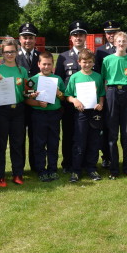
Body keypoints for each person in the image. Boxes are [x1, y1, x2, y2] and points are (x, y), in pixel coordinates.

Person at [101, 31, 127, 179]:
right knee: (112, 133)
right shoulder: (107, 60)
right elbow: (105, 81)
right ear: (114, 43)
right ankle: (113, 169)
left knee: (126, 132)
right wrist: (109, 96)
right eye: (119, 41)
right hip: (112, 92)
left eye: (124, 41)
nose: (121, 43)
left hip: (126, 92)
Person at [0, 38, 28, 187]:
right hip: (2, 110)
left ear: (17, 51)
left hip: (18, 109)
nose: (10, 54)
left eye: (12, 51)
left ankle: (17, 173)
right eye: (6, 52)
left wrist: (32, 94)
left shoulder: (22, 70)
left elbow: (26, 91)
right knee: (0, 143)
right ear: (2, 53)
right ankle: (0, 175)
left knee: (17, 143)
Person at [65, 48, 105, 183]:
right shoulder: (74, 77)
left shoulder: (98, 77)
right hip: (81, 113)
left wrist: (100, 103)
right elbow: (68, 95)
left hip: (94, 113)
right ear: (79, 62)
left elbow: (101, 95)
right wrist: (74, 100)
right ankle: (76, 170)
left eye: (89, 62)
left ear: (93, 62)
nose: (87, 64)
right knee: (79, 141)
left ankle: (91, 168)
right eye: (84, 62)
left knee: (94, 141)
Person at [27, 51, 65, 182]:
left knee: (54, 143)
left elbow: (63, 97)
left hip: (54, 114)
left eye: (49, 64)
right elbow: (26, 99)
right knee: (39, 143)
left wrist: (58, 93)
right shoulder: (32, 80)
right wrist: (36, 101)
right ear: (38, 64)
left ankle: (53, 169)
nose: (46, 67)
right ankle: (41, 170)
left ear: (53, 65)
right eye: (44, 64)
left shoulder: (58, 79)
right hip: (39, 115)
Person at [55, 20, 88, 173]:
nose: (78, 37)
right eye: (75, 35)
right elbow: (58, 80)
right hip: (68, 104)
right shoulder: (63, 57)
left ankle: (85, 162)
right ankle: (67, 163)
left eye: (81, 34)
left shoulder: (91, 56)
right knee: (68, 134)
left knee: (85, 133)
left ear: (85, 37)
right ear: (71, 38)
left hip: (87, 102)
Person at [16, 22, 41, 173]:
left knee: (36, 137)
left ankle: (35, 167)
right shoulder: (13, 57)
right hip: (19, 103)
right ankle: (18, 170)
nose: (28, 41)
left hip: (37, 103)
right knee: (18, 139)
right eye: (25, 37)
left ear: (35, 39)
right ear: (19, 39)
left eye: (31, 37)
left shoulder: (41, 57)